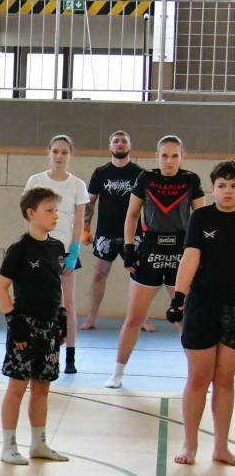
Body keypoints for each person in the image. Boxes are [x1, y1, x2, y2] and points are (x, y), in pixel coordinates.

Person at [106, 135, 205, 388]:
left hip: (181, 253)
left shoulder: (190, 180)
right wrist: (129, 249)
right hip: (149, 251)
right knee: (134, 318)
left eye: (174, 155)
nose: (169, 160)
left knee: (184, 317)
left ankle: (196, 376)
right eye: (164, 155)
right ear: (156, 156)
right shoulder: (146, 178)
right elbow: (131, 215)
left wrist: (200, 256)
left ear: (182, 157)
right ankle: (117, 373)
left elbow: (201, 220)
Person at [0, 187, 70, 465]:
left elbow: (55, 283)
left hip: (48, 327)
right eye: (49, 211)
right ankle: (9, 445)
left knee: (43, 386)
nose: (55, 216)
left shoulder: (56, 248)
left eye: (56, 210)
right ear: (31, 213)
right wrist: (14, 323)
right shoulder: (19, 249)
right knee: (17, 386)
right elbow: (0, 288)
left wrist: (61, 316)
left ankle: (39, 443)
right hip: (24, 327)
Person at [169, 160, 235, 466]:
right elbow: (190, 258)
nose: (228, 192)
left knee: (225, 379)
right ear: (212, 188)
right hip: (203, 305)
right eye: (222, 186)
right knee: (199, 376)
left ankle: (221, 446)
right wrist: (178, 298)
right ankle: (190, 444)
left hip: (233, 308)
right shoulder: (201, 217)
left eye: (233, 187)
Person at [23, 135, 87, 374]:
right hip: (39, 249)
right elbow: (28, 215)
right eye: (56, 151)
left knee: (67, 303)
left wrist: (74, 251)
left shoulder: (77, 185)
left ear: (70, 155)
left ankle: (69, 356)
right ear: (48, 153)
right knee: (38, 301)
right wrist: (28, 246)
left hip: (64, 251)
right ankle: (36, 350)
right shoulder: (36, 181)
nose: (59, 156)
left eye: (64, 152)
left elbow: (79, 221)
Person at [80, 131, 153, 331]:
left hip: (134, 234)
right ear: (110, 146)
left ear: (130, 145)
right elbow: (90, 202)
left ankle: (142, 319)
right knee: (99, 274)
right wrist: (86, 228)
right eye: (116, 141)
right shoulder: (101, 172)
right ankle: (91, 317)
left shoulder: (140, 173)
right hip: (106, 233)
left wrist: (148, 231)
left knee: (140, 276)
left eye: (123, 141)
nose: (119, 144)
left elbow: (148, 204)